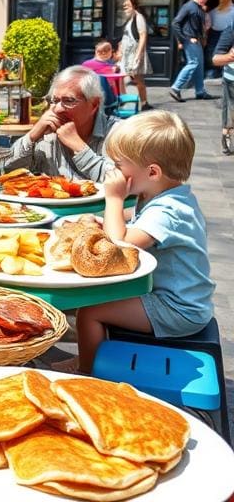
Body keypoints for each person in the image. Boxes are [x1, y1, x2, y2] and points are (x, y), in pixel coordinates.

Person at [62, 111, 214, 374]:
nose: (113, 172)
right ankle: (95, 357)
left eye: (119, 165)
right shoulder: (165, 196)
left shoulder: (170, 212)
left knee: (89, 311)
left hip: (177, 309)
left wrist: (113, 199)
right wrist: (101, 220)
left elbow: (119, 244)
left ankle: (87, 373)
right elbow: (133, 220)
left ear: (152, 172)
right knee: (97, 299)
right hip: (172, 298)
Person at [2, 66, 118, 182]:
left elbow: (122, 181)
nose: (57, 109)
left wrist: (79, 148)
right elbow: (6, 171)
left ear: (94, 104)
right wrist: (32, 136)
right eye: (54, 101)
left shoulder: (119, 133)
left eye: (68, 100)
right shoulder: (47, 135)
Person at [170, 0, 216, 102]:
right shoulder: (188, 6)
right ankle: (175, 88)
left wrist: (202, 39)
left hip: (197, 41)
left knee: (199, 66)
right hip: (191, 40)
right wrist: (184, 39)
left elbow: (200, 26)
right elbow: (175, 23)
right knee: (193, 63)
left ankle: (200, 91)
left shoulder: (198, 8)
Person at [118, 0, 153, 110]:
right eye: (124, 6)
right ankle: (138, 102)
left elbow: (143, 36)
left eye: (127, 6)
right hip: (127, 54)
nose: (125, 8)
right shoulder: (130, 19)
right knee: (128, 78)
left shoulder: (139, 17)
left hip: (134, 54)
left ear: (134, 6)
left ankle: (142, 102)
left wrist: (138, 55)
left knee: (137, 79)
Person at [211, 21, 234, 154]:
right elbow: (216, 59)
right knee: (230, 111)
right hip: (232, 80)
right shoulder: (231, 29)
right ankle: (227, 133)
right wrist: (230, 57)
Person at [207, 0, 234, 78]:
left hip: (215, 34)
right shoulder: (233, 10)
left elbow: (208, 24)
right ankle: (223, 72)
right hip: (227, 33)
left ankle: (214, 72)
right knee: (225, 54)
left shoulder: (213, 11)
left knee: (215, 53)